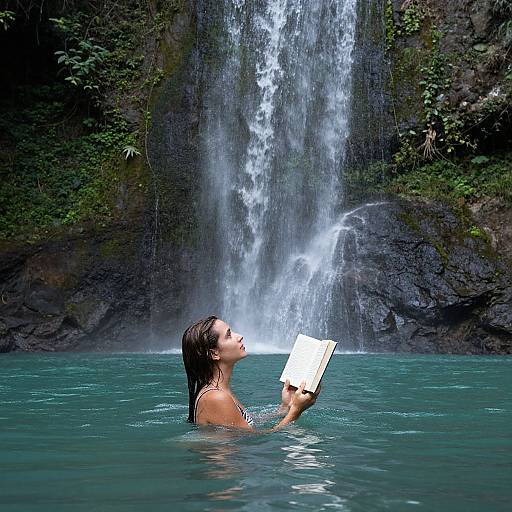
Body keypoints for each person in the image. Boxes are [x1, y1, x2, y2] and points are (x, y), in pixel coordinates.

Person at [182, 315, 320, 430]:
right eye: (229, 335)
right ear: (214, 353)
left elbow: (250, 424)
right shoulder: (216, 397)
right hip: (227, 462)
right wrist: (296, 410)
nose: (239, 336)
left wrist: (285, 407)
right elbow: (254, 440)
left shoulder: (221, 391)